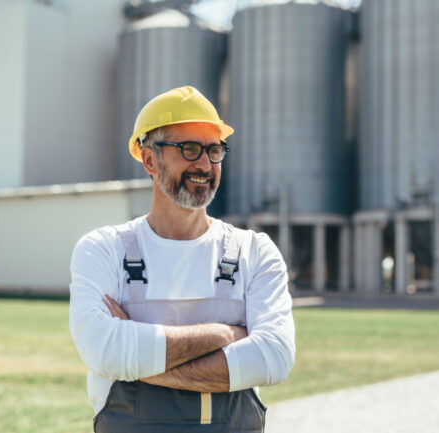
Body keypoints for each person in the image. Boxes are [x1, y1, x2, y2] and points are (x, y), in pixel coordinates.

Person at [69, 86, 295, 433]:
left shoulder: (254, 251)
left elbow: (273, 358)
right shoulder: (104, 249)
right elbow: (103, 352)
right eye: (189, 149)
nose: (204, 164)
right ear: (149, 159)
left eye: (214, 150)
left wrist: (135, 360)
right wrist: (225, 334)